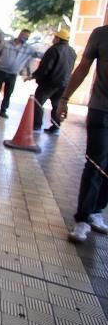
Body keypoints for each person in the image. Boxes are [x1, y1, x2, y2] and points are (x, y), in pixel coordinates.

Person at [58, 26, 108, 243]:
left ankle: (97, 209)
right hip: (102, 110)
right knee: (97, 162)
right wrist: (64, 99)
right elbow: (83, 68)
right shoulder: (100, 34)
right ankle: (83, 218)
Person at [0, 28, 41, 117]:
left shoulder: (28, 48)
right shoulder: (5, 44)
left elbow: (38, 55)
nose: (25, 38)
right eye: (24, 35)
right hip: (0, 70)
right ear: (19, 34)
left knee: (8, 93)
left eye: (27, 37)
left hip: (12, 74)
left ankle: (3, 111)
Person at [30, 30, 76, 133]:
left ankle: (37, 125)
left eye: (55, 38)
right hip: (64, 84)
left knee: (38, 102)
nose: (53, 40)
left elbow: (46, 67)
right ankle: (56, 126)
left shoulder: (54, 49)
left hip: (49, 83)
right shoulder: (72, 51)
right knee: (56, 105)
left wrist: (35, 76)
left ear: (58, 39)